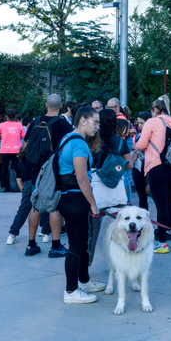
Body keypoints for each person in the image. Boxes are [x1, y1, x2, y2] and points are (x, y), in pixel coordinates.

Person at [8, 94, 71, 256]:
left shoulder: (36, 121)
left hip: (36, 169)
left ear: (46, 105)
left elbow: (25, 146)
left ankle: (31, 245)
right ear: (61, 106)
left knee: (35, 205)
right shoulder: (64, 124)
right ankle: (55, 246)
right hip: (54, 169)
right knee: (54, 206)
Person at [56, 106, 105, 304]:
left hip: (68, 198)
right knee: (76, 245)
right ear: (83, 121)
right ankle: (71, 291)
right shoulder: (79, 144)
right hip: (76, 199)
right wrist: (93, 204)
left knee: (82, 242)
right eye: (95, 122)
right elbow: (82, 178)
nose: (97, 127)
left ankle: (84, 280)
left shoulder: (67, 138)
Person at [134, 98, 171, 254]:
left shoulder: (152, 122)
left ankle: (162, 243)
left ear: (155, 109)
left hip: (157, 167)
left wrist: (136, 145)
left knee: (161, 206)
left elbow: (141, 144)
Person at [86, 108, 132, 262]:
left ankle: (87, 264)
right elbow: (129, 164)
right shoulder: (119, 141)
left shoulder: (92, 140)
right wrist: (114, 168)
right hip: (116, 189)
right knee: (118, 231)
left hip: (96, 192)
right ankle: (118, 263)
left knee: (92, 232)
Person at [0, 109, 25, 193]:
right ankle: (20, 186)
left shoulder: (2, 125)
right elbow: (23, 137)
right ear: (15, 117)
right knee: (18, 168)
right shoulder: (19, 125)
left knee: (4, 168)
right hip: (16, 150)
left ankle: (3, 187)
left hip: (4, 150)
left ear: (6, 117)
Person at [131, 112, 151, 211]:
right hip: (138, 166)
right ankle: (143, 216)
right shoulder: (138, 134)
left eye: (141, 123)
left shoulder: (153, 135)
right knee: (141, 197)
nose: (139, 125)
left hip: (150, 167)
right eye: (138, 123)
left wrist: (138, 147)